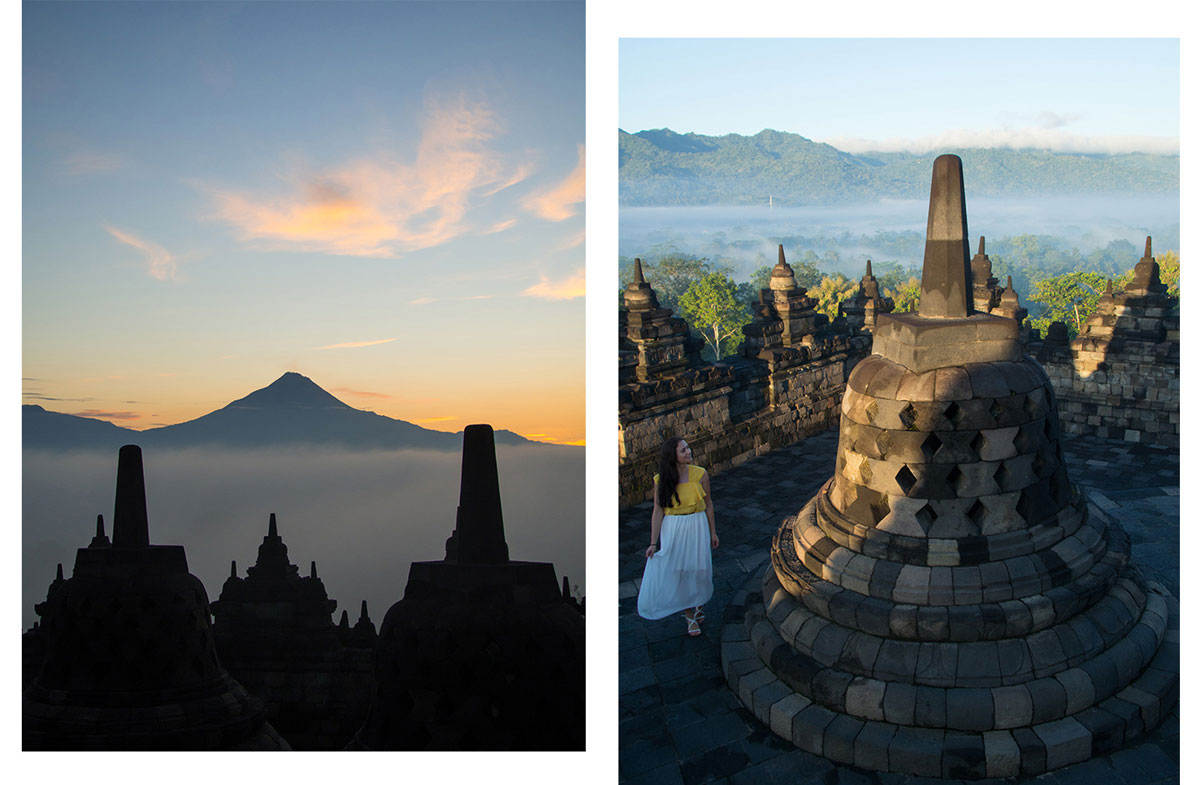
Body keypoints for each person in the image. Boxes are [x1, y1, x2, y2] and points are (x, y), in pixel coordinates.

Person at [637, 436, 719, 636]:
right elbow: (658, 511)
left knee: (699, 568)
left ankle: (698, 602)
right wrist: (653, 543)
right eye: (683, 450)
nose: (689, 452)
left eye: (688, 448)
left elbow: (708, 505)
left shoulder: (701, 474)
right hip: (673, 527)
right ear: (673, 456)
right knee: (680, 570)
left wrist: (712, 531)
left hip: (697, 523)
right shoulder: (661, 480)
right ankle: (689, 615)